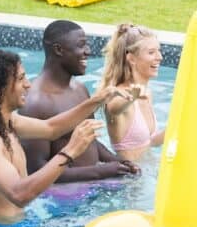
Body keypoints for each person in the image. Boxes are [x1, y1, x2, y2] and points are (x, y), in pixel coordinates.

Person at [0, 49, 129, 225]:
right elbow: (19, 194)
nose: (28, 85)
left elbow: (51, 128)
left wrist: (97, 100)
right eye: (20, 79)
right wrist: (70, 151)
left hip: (18, 222)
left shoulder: (5, 121)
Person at [19, 20, 139, 182]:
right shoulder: (36, 102)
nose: (88, 51)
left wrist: (118, 162)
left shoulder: (79, 89)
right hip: (63, 199)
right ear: (58, 50)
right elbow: (36, 170)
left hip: (90, 184)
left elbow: (90, 140)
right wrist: (101, 171)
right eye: (81, 45)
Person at [101, 23, 165, 161]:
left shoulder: (146, 93)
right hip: (128, 180)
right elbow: (113, 108)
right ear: (132, 59)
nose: (159, 57)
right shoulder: (118, 94)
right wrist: (132, 97)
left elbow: (150, 142)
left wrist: (178, 127)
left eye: (158, 51)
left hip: (147, 173)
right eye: (151, 52)